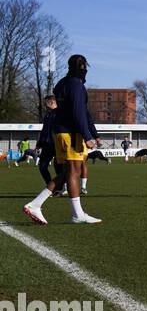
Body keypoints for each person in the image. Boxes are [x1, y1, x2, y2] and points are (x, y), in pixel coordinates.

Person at [23, 54, 101, 225]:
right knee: (73, 171)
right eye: (83, 66)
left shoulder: (61, 83)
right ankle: (71, 213)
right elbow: (79, 112)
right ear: (82, 67)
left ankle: (40, 204)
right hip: (71, 134)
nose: (85, 69)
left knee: (68, 172)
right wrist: (87, 136)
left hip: (60, 132)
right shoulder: (76, 84)